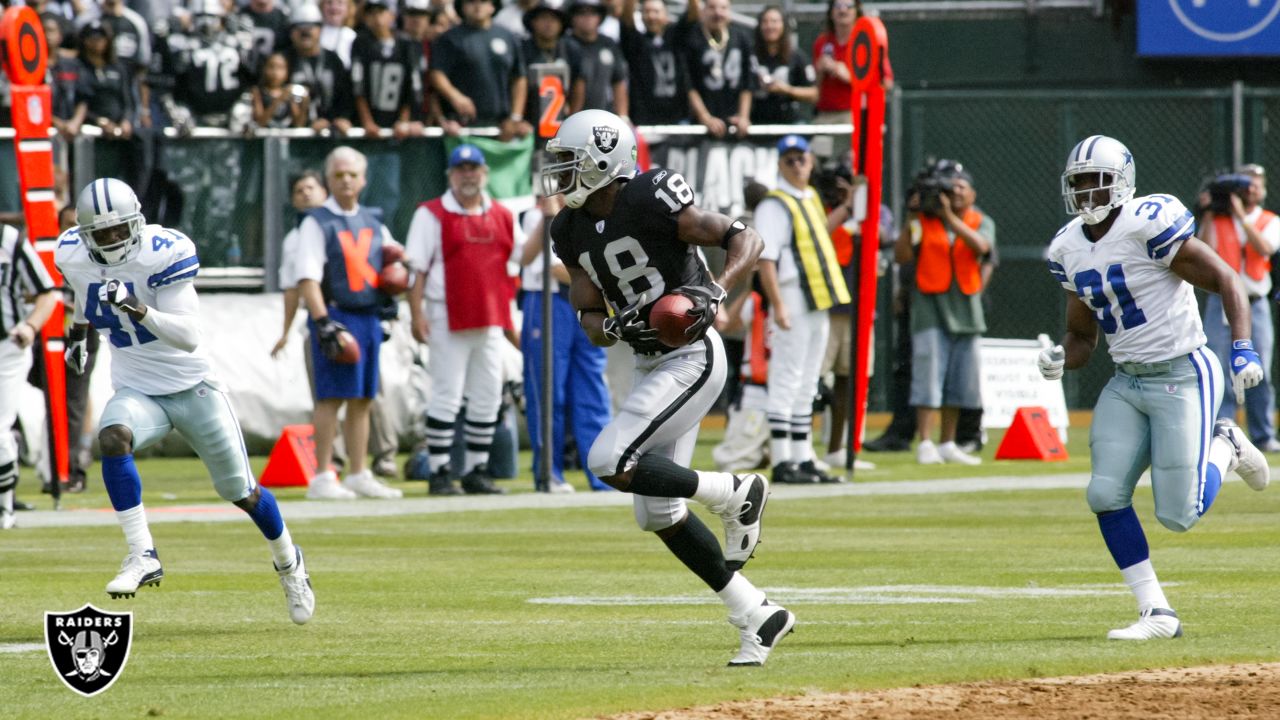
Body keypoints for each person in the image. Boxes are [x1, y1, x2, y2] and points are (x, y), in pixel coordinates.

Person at [542, 109, 793, 666]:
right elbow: (588, 314)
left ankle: (735, 493)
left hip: (693, 355)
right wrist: (610, 325)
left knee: (609, 457)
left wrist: (715, 292)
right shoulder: (569, 228)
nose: (559, 175)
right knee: (656, 513)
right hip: (648, 361)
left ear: (605, 161)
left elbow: (744, 237)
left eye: (570, 162)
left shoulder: (652, 194)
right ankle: (757, 615)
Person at [1040, 135, 1270, 640]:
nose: (1084, 193)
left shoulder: (1151, 223)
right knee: (1103, 493)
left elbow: (1228, 279)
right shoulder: (1068, 248)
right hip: (1128, 381)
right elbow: (1082, 336)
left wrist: (1242, 346)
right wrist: (1061, 356)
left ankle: (1226, 444)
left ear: (1121, 182)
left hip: (1182, 372)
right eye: (1076, 183)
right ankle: (1157, 612)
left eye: (1094, 182)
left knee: (1178, 514)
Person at [55, 178, 314, 624]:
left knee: (242, 492)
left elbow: (190, 336)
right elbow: (85, 289)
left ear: (137, 222)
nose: (115, 240)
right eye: (103, 234)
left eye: (122, 230)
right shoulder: (72, 254)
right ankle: (142, 554)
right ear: (85, 236)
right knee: (113, 438)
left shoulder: (163, 251)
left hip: (193, 389)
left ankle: (290, 563)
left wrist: (137, 307)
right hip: (137, 389)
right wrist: (78, 333)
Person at [405, 144, 521, 496]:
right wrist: (416, 313)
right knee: (446, 393)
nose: (468, 174)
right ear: (451, 175)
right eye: (461, 169)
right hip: (446, 312)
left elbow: (520, 258)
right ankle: (439, 470)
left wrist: (548, 218)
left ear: (485, 173)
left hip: (489, 317)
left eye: (474, 168)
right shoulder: (432, 213)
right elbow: (417, 269)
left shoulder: (501, 213)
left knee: (487, 395)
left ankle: (476, 468)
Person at [295, 147, 404, 500]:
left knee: (363, 397)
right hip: (336, 313)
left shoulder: (373, 222)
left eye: (352, 175)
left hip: (368, 315)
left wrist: (398, 280)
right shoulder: (316, 221)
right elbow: (308, 277)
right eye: (339, 175)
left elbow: (399, 265)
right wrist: (322, 321)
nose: (346, 181)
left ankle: (359, 471)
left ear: (363, 180)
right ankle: (323, 474)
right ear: (328, 179)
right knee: (330, 397)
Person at [754, 135, 850, 484]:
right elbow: (766, 259)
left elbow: (817, 234)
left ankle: (802, 454)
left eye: (802, 158)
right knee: (787, 375)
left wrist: (849, 207)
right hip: (793, 294)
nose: (797, 165)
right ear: (780, 164)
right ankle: (782, 460)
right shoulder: (774, 204)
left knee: (810, 378)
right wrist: (777, 304)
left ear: (811, 161)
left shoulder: (808, 197)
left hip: (818, 295)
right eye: (790, 160)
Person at [893, 163, 993, 465]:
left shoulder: (980, 220)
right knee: (928, 376)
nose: (955, 192)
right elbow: (901, 255)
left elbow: (982, 247)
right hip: (930, 309)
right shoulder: (924, 221)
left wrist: (949, 217)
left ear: (972, 193)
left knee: (959, 381)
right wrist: (911, 216)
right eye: (951, 188)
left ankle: (948, 442)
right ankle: (925, 442)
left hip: (966, 312)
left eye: (961, 187)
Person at [519, 193, 613, 493]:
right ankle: (549, 472)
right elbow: (550, 267)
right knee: (549, 392)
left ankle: (603, 475)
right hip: (548, 301)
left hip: (585, 302)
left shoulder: (593, 214)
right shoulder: (537, 215)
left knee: (592, 392)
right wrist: (600, 276)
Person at [1198, 163, 1280, 452]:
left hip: (1255, 303)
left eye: (1256, 184)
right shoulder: (1219, 219)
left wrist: (1241, 216)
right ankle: (1223, 432)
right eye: (1246, 184)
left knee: (1260, 372)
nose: (1251, 189)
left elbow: (1265, 249)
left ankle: (1263, 434)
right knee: (1217, 369)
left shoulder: (1268, 219)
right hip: (1220, 301)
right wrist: (1208, 211)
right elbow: (1203, 250)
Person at [1, 224, 59, 529]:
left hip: (6, 347)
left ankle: (5, 507)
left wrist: (31, 326)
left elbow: (47, 293)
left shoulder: (11, 240)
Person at [429, 0, 531, 139]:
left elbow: (519, 78)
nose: (477, 6)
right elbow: (436, 73)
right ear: (462, 7)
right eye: (471, 2)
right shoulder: (449, 39)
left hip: (501, 126)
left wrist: (515, 117)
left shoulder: (508, 37)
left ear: (492, 6)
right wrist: (455, 96)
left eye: (483, 1)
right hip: (461, 126)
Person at [618, 0, 698, 126]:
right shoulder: (636, 42)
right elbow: (626, 20)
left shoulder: (676, 37)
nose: (651, 16)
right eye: (647, 11)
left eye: (656, 11)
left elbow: (693, 14)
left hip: (678, 118)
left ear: (666, 16)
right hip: (644, 119)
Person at [682, 0, 753, 139]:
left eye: (723, 8)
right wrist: (705, 117)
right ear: (703, 10)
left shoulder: (741, 38)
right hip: (700, 127)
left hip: (735, 123)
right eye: (712, 7)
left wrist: (744, 116)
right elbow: (688, 84)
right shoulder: (691, 38)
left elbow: (748, 83)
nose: (718, 13)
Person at [749, 5, 815, 126]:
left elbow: (814, 93)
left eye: (774, 22)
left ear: (783, 26)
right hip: (755, 121)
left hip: (789, 120)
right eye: (765, 22)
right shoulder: (750, 55)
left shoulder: (796, 56)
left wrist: (786, 89)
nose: (770, 26)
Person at [564, 0, 628, 116]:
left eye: (593, 13)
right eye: (581, 13)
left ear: (600, 17)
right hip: (571, 114)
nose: (587, 18)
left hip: (604, 113)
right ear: (572, 17)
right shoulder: (564, 44)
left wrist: (623, 116)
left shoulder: (608, 43)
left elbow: (618, 81)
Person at [251, 51, 310, 129]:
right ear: (264, 69)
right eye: (271, 67)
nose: (275, 72)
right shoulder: (257, 92)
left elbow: (298, 124)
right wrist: (279, 100)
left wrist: (304, 105)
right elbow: (260, 122)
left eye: (280, 68)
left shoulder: (289, 93)